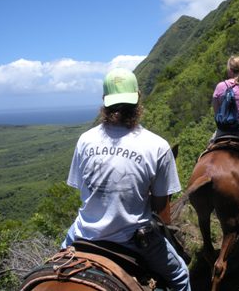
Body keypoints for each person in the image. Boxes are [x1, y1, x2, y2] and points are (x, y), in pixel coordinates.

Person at [62, 68, 191, 290]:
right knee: (180, 276)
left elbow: (83, 190)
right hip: (135, 239)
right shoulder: (158, 146)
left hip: (84, 233)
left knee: (53, 266)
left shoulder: (84, 140)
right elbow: (161, 208)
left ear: (104, 102)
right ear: (138, 98)